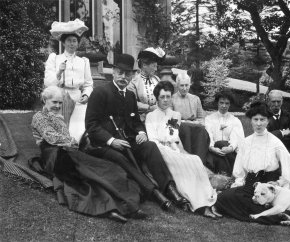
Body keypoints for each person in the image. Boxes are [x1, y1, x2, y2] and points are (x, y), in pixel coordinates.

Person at [85, 53, 187, 211]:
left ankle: (169, 188)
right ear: (113, 72)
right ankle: (154, 193)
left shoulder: (130, 96)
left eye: (127, 74)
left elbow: (135, 122)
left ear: (132, 75)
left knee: (150, 146)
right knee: (121, 157)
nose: (123, 77)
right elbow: (91, 125)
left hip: (128, 139)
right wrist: (111, 140)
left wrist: (141, 132)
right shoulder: (100, 92)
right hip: (105, 144)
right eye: (120, 72)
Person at [31, 86, 147, 223]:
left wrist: (72, 143)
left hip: (68, 151)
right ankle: (110, 209)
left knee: (105, 169)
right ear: (45, 100)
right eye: (54, 102)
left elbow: (65, 139)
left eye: (60, 102)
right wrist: (73, 142)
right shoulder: (39, 117)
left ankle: (122, 206)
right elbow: (51, 138)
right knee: (87, 174)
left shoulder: (59, 118)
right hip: (53, 155)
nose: (57, 106)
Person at [214, 101, 290, 225]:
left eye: (262, 119)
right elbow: (239, 170)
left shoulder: (275, 142)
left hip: (268, 188)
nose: (259, 123)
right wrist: (238, 183)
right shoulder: (246, 142)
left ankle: (276, 214)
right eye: (255, 119)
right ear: (251, 120)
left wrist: (279, 182)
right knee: (223, 198)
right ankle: (271, 212)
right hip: (250, 186)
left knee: (245, 201)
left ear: (268, 121)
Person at [145, 81, 219, 218]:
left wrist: (178, 150)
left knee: (195, 159)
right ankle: (199, 205)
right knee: (184, 162)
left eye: (168, 96)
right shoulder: (151, 116)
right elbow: (152, 139)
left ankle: (208, 199)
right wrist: (169, 148)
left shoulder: (175, 115)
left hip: (172, 147)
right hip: (159, 149)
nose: (166, 100)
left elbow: (174, 137)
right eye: (162, 97)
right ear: (157, 98)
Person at [44, 19, 93, 143]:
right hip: (60, 96)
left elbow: (88, 84)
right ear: (64, 43)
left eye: (74, 41)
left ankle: (76, 141)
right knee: (59, 127)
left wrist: (86, 95)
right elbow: (48, 83)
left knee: (77, 130)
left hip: (77, 97)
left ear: (78, 43)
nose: (72, 44)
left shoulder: (83, 62)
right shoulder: (55, 58)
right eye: (69, 41)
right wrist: (59, 73)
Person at [204, 90, 244, 175]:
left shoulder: (235, 120)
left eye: (227, 103)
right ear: (217, 103)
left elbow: (237, 139)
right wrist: (212, 148)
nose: (224, 106)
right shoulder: (209, 119)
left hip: (230, 153)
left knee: (223, 145)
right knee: (219, 146)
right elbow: (208, 135)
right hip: (213, 151)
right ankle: (226, 178)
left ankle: (225, 178)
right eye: (221, 103)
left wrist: (230, 148)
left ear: (230, 104)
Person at [127, 47, 166, 121]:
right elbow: (131, 102)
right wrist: (149, 108)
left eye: (156, 66)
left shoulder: (157, 80)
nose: (156, 69)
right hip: (141, 119)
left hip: (159, 117)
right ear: (144, 65)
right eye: (154, 66)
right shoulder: (134, 82)